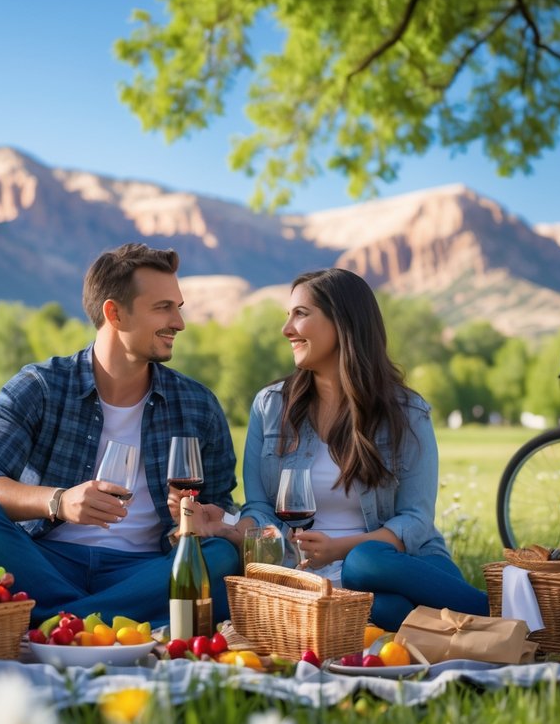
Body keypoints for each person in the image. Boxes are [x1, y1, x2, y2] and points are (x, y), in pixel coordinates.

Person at [0, 243, 241, 627]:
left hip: (145, 570)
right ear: (114, 313)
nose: (179, 322)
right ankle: (109, 621)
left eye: (178, 307)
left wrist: (199, 520)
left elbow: (220, 504)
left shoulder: (197, 403)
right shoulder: (40, 386)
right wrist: (59, 501)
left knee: (220, 555)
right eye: (163, 307)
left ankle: (61, 622)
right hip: (46, 563)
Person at [186, 267, 487, 630]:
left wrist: (340, 549)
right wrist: (228, 529)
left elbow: (415, 521)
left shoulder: (407, 412)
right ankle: (461, 623)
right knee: (386, 610)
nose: (286, 330)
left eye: (301, 314)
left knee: (364, 563)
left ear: (342, 322)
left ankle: (501, 615)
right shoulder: (270, 407)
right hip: (310, 577)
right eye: (288, 315)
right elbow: (261, 510)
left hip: (403, 566)